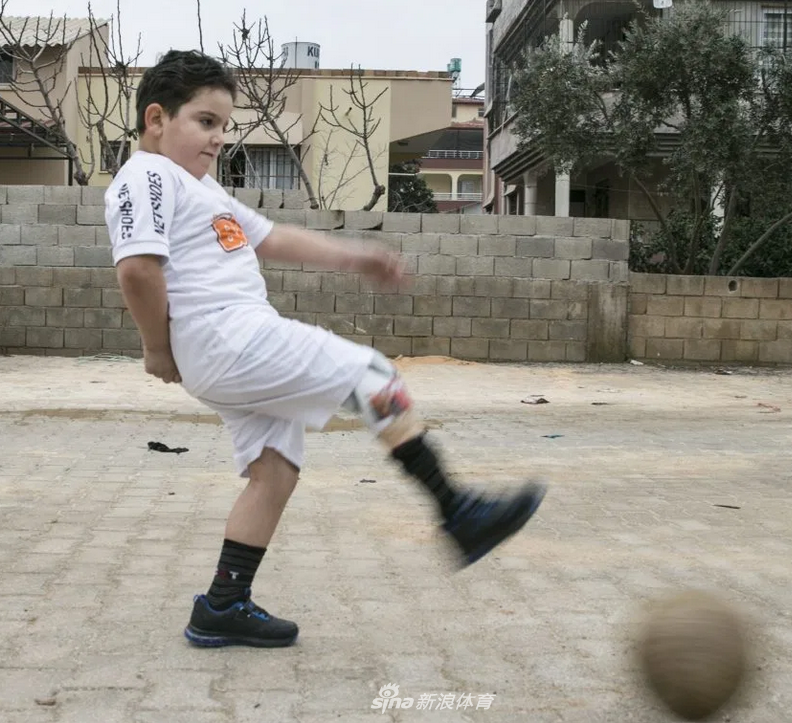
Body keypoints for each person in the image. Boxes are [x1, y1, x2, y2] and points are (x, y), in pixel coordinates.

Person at [105, 49, 546, 649]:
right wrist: (156, 348)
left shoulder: (199, 189)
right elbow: (138, 271)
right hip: (226, 337)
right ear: (156, 119)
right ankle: (456, 510)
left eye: (224, 126)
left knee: (274, 471)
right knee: (374, 376)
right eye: (205, 122)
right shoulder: (147, 176)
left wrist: (356, 256)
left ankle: (223, 604)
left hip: (229, 343)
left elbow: (273, 237)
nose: (218, 138)